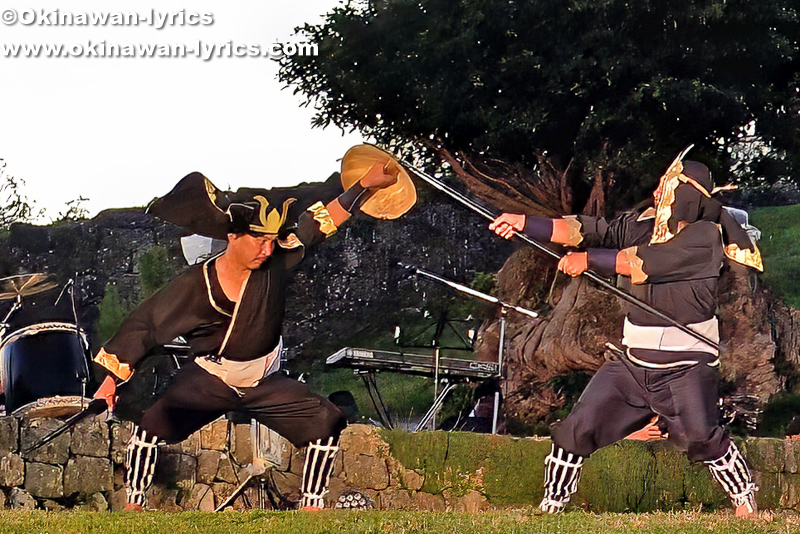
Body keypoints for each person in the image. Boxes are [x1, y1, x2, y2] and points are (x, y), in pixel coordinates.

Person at [93, 161, 403, 511]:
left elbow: (319, 223)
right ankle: (134, 507)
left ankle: (313, 509)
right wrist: (109, 381)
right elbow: (145, 325)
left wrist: (364, 183)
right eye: (258, 240)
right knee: (150, 428)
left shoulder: (274, 260)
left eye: (271, 241)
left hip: (265, 382)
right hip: (211, 380)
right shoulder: (194, 285)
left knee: (326, 422)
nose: (266, 250)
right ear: (233, 236)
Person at [490, 154, 763, 517]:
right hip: (632, 364)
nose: (656, 193)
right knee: (576, 429)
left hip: (687, 367)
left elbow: (645, 263)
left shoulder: (705, 237)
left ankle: (744, 496)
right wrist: (525, 223)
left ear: (688, 196)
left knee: (702, 436)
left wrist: (588, 261)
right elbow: (587, 229)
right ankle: (552, 505)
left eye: (666, 188)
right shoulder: (641, 224)